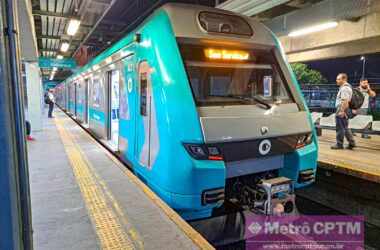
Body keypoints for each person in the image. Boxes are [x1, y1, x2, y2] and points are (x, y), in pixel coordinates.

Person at [331, 73, 356, 150]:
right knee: (345, 127)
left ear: (344, 79)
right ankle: (352, 143)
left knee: (340, 127)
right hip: (344, 108)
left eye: (338, 79)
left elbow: (345, 101)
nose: (337, 80)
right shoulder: (347, 87)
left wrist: (342, 111)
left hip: (342, 108)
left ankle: (339, 144)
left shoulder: (345, 88)